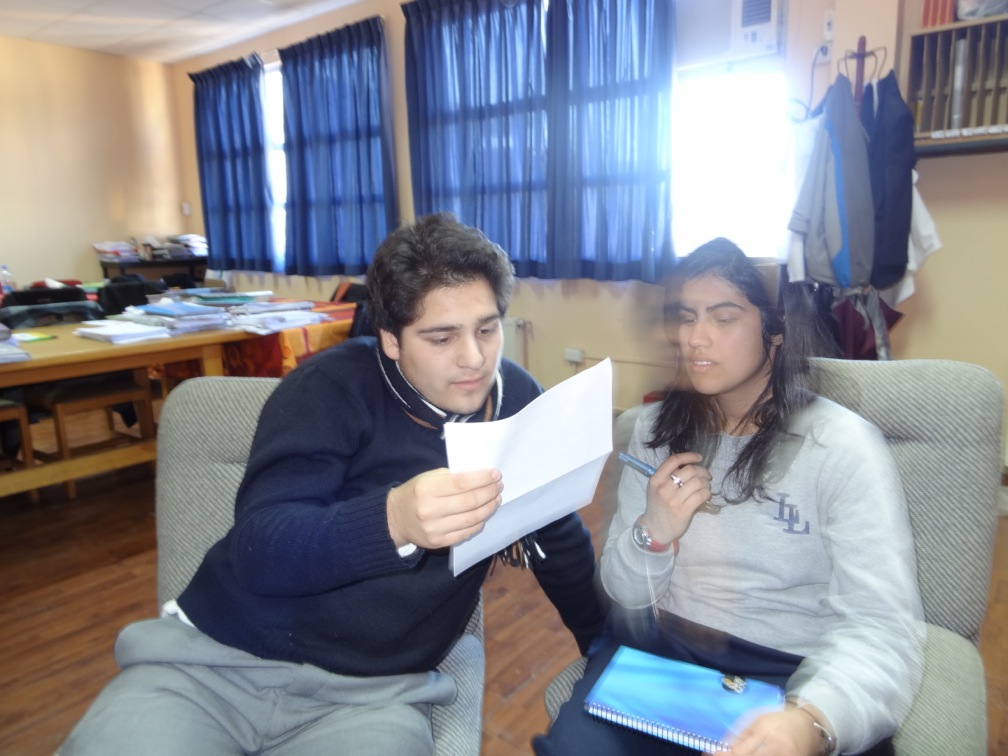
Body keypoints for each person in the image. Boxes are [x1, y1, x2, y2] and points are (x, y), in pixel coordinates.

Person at [61, 213, 605, 755]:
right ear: (390, 339)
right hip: (214, 665)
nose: (475, 358)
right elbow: (260, 548)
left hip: (374, 696)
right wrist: (393, 520)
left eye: (487, 328)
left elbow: (557, 540)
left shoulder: (517, 402)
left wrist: (604, 653)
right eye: (441, 337)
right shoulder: (327, 389)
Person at [534, 238, 923, 756]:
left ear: (776, 328)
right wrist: (653, 534)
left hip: (788, 671)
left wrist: (810, 722)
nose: (695, 338)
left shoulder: (842, 448)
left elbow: (882, 628)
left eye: (723, 318)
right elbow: (624, 596)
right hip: (662, 658)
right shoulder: (652, 431)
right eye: (686, 317)